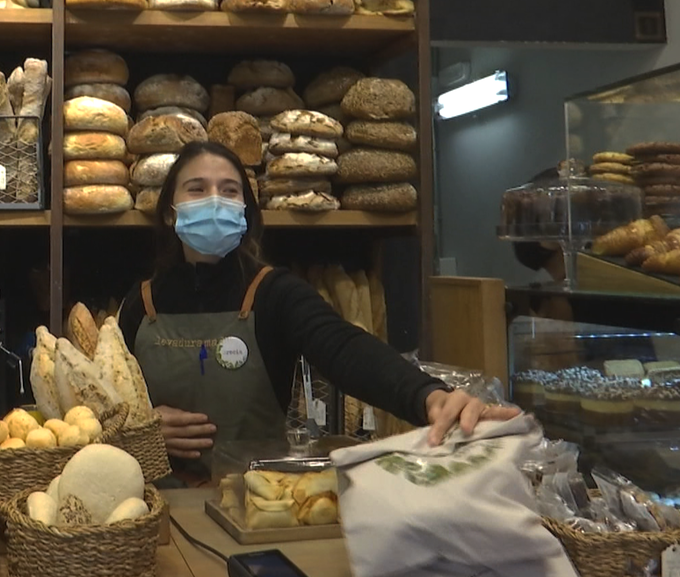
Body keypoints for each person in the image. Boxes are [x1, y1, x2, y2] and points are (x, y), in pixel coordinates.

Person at [117, 141, 518, 478]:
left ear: (245, 211)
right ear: (171, 212)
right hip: (152, 499)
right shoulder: (140, 302)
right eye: (197, 189)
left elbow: (343, 347)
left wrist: (428, 396)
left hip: (254, 495)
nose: (215, 201)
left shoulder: (274, 293)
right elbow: (104, 407)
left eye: (229, 190)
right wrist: (140, 429)